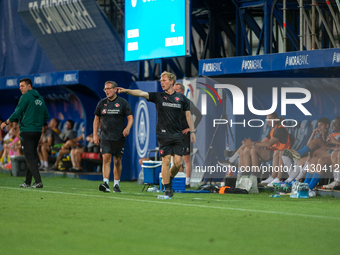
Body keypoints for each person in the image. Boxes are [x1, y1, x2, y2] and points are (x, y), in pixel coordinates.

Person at [118, 71, 196, 198]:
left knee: (177, 163)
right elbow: (141, 93)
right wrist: (127, 90)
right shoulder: (159, 96)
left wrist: (192, 131)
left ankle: (168, 179)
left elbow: (188, 115)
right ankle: (167, 189)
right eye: (160, 80)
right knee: (166, 161)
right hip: (163, 134)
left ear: (172, 81)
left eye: (164, 80)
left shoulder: (182, 99)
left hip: (177, 134)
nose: (161, 82)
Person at [0, 78, 49, 188]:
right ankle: (27, 182)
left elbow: (17, 113)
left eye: (22, 86)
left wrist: (6, 123)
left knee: (29, 156)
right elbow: (46, 116)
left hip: (27, 130)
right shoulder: (40, 99)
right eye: (20, 86)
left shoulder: (25, 97)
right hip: (37, 131)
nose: (20, 88)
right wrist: (36, 120)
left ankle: (38, 181)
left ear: (29, 86)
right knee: (31, 155)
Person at [94, 81, 133, 193]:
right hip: (105, 136)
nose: (107, 91)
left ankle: (116, 185)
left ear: (115, 89)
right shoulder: (101, 103)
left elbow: (130, 118)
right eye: (105, 89)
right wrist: (96, 134)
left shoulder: (122, 102)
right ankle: (105, 183)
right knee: (106, 158)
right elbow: (96, 119)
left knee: (117, 161)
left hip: (119, 137)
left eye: (109, 89)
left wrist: (127, 128)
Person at [221, 113, 290, 177]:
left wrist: (252, 143)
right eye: (267, 119)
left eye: (270, 119)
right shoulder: (272, 130)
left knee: (253, 149)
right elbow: (262, 142)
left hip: (278, 153)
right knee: (246, 149)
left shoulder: (281, 130)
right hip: (271, 151)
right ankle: (243, 176)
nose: (268, 121)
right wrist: (251, 142)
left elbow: (269, 143)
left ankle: (254, 176)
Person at [174, 82, 202, 188]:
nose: (175, 91)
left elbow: (198, 114)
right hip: (175, 134)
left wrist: (191, 128)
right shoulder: (172, 102)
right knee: (177, 159)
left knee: (186, 159)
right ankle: (179, 179)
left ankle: (187, 182)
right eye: (174, 89)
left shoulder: (187, 102)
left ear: (182, 91)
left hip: (185, 135)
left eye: (177, 90)